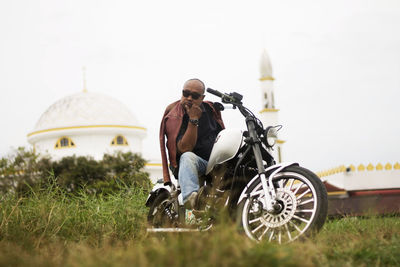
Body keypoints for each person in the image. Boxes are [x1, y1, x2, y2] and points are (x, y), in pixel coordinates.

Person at [159, 79, 224, 208]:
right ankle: (192, 201)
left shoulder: (211, 110)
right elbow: (184, 149)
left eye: (194, 96)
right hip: (186, 165)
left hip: (213, 163)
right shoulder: (174, 116)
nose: (189, 98)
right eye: (186, 93)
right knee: (188, 157)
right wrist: (193, 119)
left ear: (202, 98)